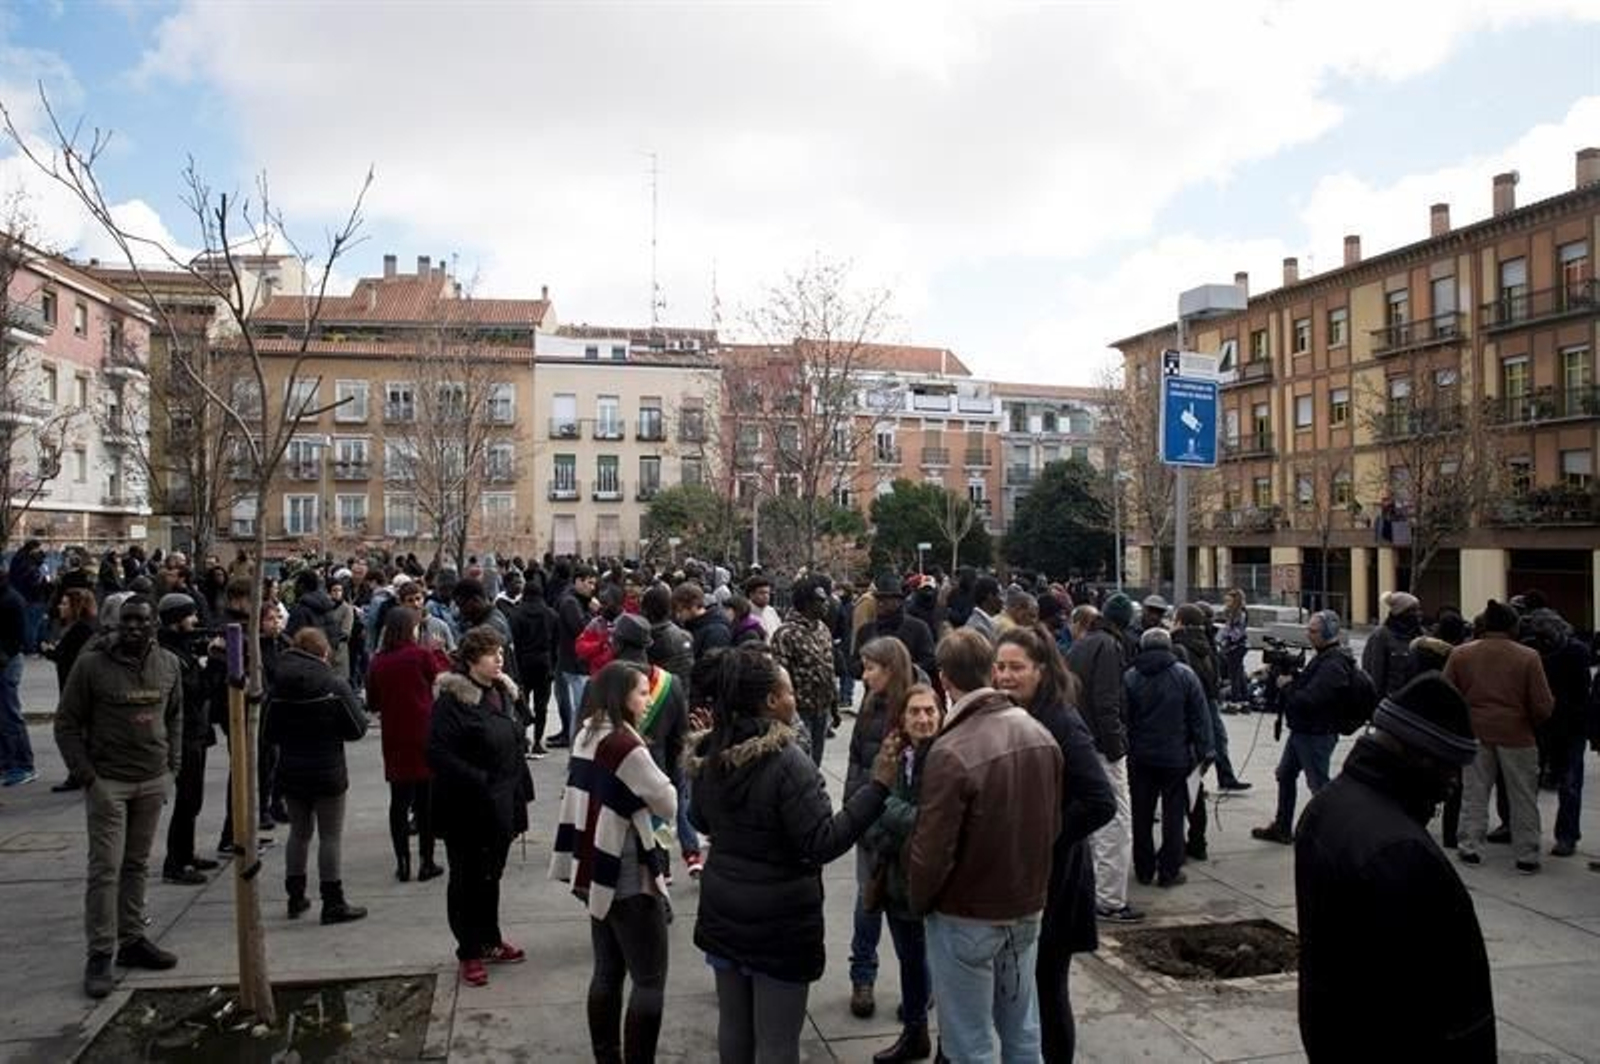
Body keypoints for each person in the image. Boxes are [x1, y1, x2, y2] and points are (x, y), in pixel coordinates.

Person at [688, 644, 898, 1064]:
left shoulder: (712, 751)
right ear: (769, 701)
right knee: (778, 1042)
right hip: (778, 922)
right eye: (787, 692)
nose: (794, 698)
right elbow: (821, 842)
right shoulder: (788, 762)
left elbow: (700, 818)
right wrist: (877, 789)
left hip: (724, 910)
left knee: (734, 1026)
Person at [1295, 673, 1494, 1061]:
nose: (1454, 781)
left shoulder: (1329, 805)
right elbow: (1444, 999)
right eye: (1450, 765)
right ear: (1419, 756)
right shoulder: (1401, 851)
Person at [907, 628, 1062, 1062]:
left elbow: (932, 850)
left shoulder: (950, 750)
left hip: (967, 915)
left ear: (943, 679)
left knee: (969, 1040)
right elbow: (1052, 826)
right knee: (1022, 1029)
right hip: (1024, 907)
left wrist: (920, 901)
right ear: (991, 671)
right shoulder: (1039, 733)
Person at [993, 628, 1115, 1064]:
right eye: (1000, 667)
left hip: (1058, 881)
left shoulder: (1060, 720)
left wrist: (1044, 835)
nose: (1005, 676)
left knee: (1047, 990)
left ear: (1041, 671)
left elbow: (1100, 801)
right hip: (1026, 880)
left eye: (1016, 668)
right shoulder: (1011, 712)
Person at [52, 597, 183, 998]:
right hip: (109, 782)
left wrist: (171, 767)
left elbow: (175, 715)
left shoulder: (168, 665)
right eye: (126, 621)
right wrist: (88, 777)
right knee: (105, 870)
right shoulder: (92, 665)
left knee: (137, 865)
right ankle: (100, 953)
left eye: (142, 621)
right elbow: (66, 723)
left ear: (154, 624)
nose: (133, 628)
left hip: (151, 780)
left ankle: (132, 941)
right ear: (114, 624)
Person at [552, 661, 679, 1064]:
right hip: (626, 870)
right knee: (649, 979)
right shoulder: (625, 745)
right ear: (620, 695)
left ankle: (607, 1057)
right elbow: (668, 801)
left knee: (607, 970)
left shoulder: (587, 733)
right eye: (642, 692)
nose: (647, 700)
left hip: (593, 865)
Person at [429, 626, 535, 987]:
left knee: (492, 875)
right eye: (493, 654)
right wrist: (481, 780)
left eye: (502, 653)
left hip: (503, 801)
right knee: (467, 879)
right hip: (467, 806)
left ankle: (490, 939)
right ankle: (469, 950)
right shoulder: (452, 700)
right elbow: (438, 753)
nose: (500, 659)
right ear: (473, 660)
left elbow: (520, 731)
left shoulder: (501, 692)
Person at [858, 683, 944, 1063]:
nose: (924, 719)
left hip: (936, 883)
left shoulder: (948, 757)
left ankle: (949, 1046)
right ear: (902, 718)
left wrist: (892, 811)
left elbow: (934, 824)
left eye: (930, 711)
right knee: (910, 961)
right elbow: (868, 814)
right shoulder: (890, 755)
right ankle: (915, 1034)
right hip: (895, 880)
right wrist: (895, 823)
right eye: (916, 712)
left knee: (942, 966)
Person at [266, 627, 369, 923]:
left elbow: (269, 732)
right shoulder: (333, 685)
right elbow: (358, 728)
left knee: (299, 833)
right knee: (330, 835)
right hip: (327, 767)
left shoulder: (279, 685)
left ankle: (295, 895)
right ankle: (332, 900)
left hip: (291, 768)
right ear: (323, 652)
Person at [1444, 600, 1554, 873]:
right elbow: (1542, 705)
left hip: (1476, 731)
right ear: (1512, 625)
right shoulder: (1528, 656)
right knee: (1523, 795)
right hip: (1516, 732)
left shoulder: (1460, 654)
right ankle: (1527, 853)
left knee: (1474, 792)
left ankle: (1470, 846)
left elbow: (1446, 694)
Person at [847, 636, 915, 1018]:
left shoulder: (916, 708)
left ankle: (918, 989)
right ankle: (862, 977)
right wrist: (856, 816)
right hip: (869, 825)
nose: (864, 674)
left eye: (870, 667)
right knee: (867, 903)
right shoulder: (870, 705)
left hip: (903, 829)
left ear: (890, 669)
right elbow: (857, 765)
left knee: (910, 916)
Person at [607, 614, 702, 879]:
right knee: (655, 840)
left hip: (616, 781)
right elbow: (680, 738)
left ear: (619, 643)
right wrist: (671, 777)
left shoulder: (605, 682)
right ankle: (661, 886)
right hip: (657, 774)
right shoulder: (670, 684)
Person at [1066, 595, 1141, 922]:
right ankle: (1110, 900)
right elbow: (1107, 702)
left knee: (1093, 824)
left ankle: (1093, 892)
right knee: (1116, 823)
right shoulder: (1110, 647)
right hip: (1101, 746)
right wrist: (1117, 747)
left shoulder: (1083, 643)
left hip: (1081, 741)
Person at [1252, 611, 1353, 846]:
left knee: (1319, 785)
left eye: (1313, 631)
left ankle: (1334, 836)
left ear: (1328, 633)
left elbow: (1311, 699)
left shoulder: (1334, 663)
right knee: (1285, 775)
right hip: (1303, 731)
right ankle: (1282, 826)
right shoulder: (1323, 658)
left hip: (1316, 733)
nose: (1308, 635)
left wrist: (1287, 687)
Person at [1123, 628, 1213, 887]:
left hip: (1141, 756)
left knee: (1141, 814)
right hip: (1175, 757)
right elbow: (1200, 717)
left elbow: (1125, 718)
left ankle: (1143, 868)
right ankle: (1169, 870)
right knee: (1174, 815)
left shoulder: (1131, 676)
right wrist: (1206, 751)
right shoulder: (1185, 675)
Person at [366, 606, 448, 883]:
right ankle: (427, 861)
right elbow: (435, 681)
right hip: (423, 731)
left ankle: (403, 862)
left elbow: (373, 701)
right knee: (425, 802)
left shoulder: (378, 661)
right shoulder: (421, 655)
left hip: (394, 734)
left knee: (398, 802)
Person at [156, 593, 220, 885]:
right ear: (177, 619)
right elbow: (196, 691)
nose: (195, 621)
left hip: (195, 731)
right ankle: (175, 863)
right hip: (185, 734)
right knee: (187, 798)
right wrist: (214, 662)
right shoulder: (171, 655)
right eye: (190, 615)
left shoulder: (180, 648)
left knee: (193, 799)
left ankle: (186, 853)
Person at [1522, 609, 1592, 858]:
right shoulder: (1533, 651)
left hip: (1569, 726)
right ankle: (1532, 834)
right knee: (1532, 782)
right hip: (1543, 724)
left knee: (1570, 784)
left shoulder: (1575, 652)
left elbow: (1581, 695)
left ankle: (1567, 836)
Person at [769, 576, 839, 766]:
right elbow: (778, 677)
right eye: (821, 600)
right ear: (807, 603)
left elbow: (829, 668)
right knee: (800, 763)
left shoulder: (823, 629)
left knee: (815, 764)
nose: (826, 604)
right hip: (799, 711)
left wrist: (834, 705)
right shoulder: (786, 634)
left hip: (822, 709)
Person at [43, 588, 99, 792]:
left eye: (65, 603)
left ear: (76, 607)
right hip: (70, 684)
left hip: (74, 687)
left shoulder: (81, 630)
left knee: (71, 731)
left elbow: (71, 658)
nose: (60, 606)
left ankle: (79, 773)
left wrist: (50, 651)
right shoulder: (75, 627)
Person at [853, 572, 937, 685]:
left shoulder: (918, 628)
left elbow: (929, 662)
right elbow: (854, 667)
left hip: (907, 692)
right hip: (874, 696)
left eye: (886, 599)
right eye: (878, 599)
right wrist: (870, 667)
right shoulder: (866, 631)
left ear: (898, 601)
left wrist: (903, 669)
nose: (880, 603)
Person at [509, 572, 559, 758]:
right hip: (544, 663)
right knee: (541, 705)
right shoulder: (551, 615)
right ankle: (538, 741)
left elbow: (513, 641)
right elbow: (556, 642)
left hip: (522, 662)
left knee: (521, 702)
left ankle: (522, 740)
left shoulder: (516, 614)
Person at [553, 565, 599, 748]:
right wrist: (593, 612)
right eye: (589, 582)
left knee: (580, 708)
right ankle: (576, 751)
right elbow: (582, 629)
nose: (592, 587)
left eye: (594, 583)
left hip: (575, 662)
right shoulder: (571, 602)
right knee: (581, 710)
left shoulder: (576, 600)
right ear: (578, 581)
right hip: (574, 663)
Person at [0, 568, 34, 787]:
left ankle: (21, 764)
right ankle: (10, 762)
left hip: (7, 662)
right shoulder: (7, 597)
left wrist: (3, 656)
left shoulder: (10, 600)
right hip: (7, 659)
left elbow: (18, 638)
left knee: (10, 715)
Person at [1362, 591, 1421, 698]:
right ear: (1400, 613)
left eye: (1417, 610)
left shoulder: (1419, 634)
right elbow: (1375, 672)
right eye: (1412, 610)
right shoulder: (1381, 636)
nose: (1417, 614)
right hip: (1390, 701)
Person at [674, 580, 732, 662]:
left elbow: (713, 666)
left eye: (680, 610)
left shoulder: (717, 631)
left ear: (693, 606)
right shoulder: (690, 624)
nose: (677, 615)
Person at [1219, 589, 1250, 705]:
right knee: (1239, 673)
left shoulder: (1239, 614)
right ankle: (1244, 699)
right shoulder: (1235, 613)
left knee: (1234, 675)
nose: (1226, 602)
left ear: (1235, 601)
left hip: (1236, 646)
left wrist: (1225, 639)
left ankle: (1235, 701)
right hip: (1238, 646)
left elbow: (1236, 632)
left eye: (1228, 600)